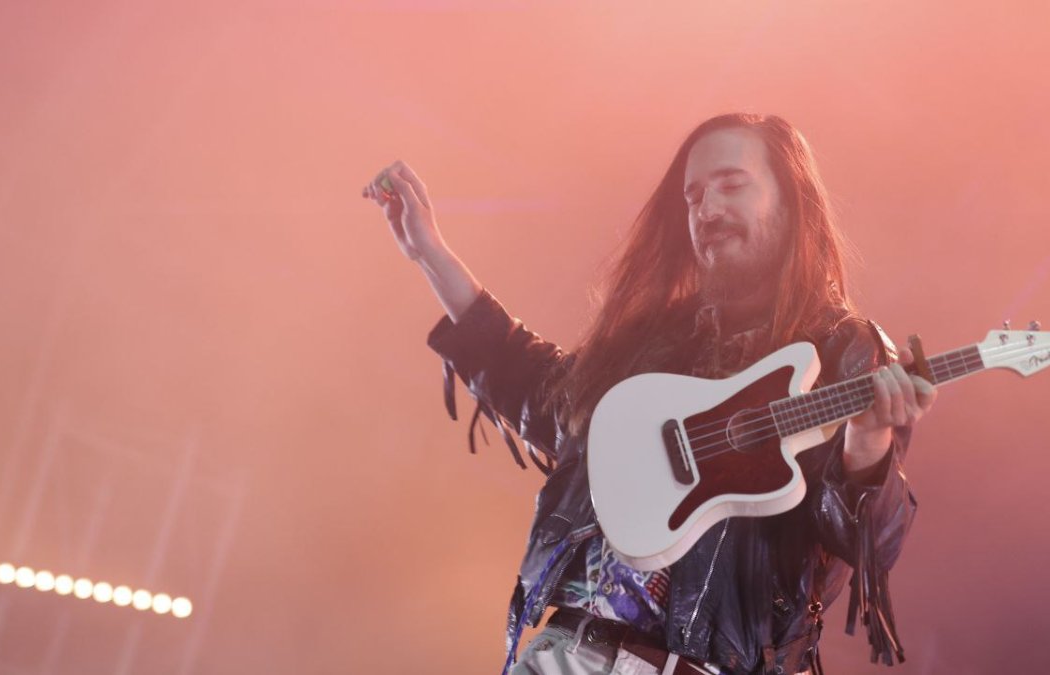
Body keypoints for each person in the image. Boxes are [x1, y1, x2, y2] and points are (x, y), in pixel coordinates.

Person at [363, 114, 937, 675]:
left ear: (792, 201)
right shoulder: (655, 343)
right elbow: (546, 395)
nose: (707, 211)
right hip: (569, 654)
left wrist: (868, 444)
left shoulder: (845, 351)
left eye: (731, 185)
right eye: (692, 197)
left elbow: (870, 547)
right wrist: (429, 253)